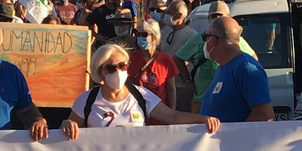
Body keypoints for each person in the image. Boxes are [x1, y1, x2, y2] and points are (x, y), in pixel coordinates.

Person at [68, 42, 219, 132]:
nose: (118, 71)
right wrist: (66, 125)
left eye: (122, 66)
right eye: (111, 68)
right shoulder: (86, 100)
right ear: (100, 70)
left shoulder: (140, 95)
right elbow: (70, 128)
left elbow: (173, 116)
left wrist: (202, 119)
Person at [198, 17, 275, 123]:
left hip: (233, 139)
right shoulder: (222, 67)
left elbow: (265, 115)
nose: (205, 42)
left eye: (205, 36)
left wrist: (235, 137)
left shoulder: (247, 69)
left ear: (213, 40)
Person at [127, 19, 180, 109]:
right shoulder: (131, 59)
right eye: (138, 34)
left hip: (160, 113)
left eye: (144, 35)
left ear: (154, 38)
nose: (140, 37)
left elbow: (171, 89)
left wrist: (171, 113)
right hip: (137, 111)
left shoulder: (166, 60)